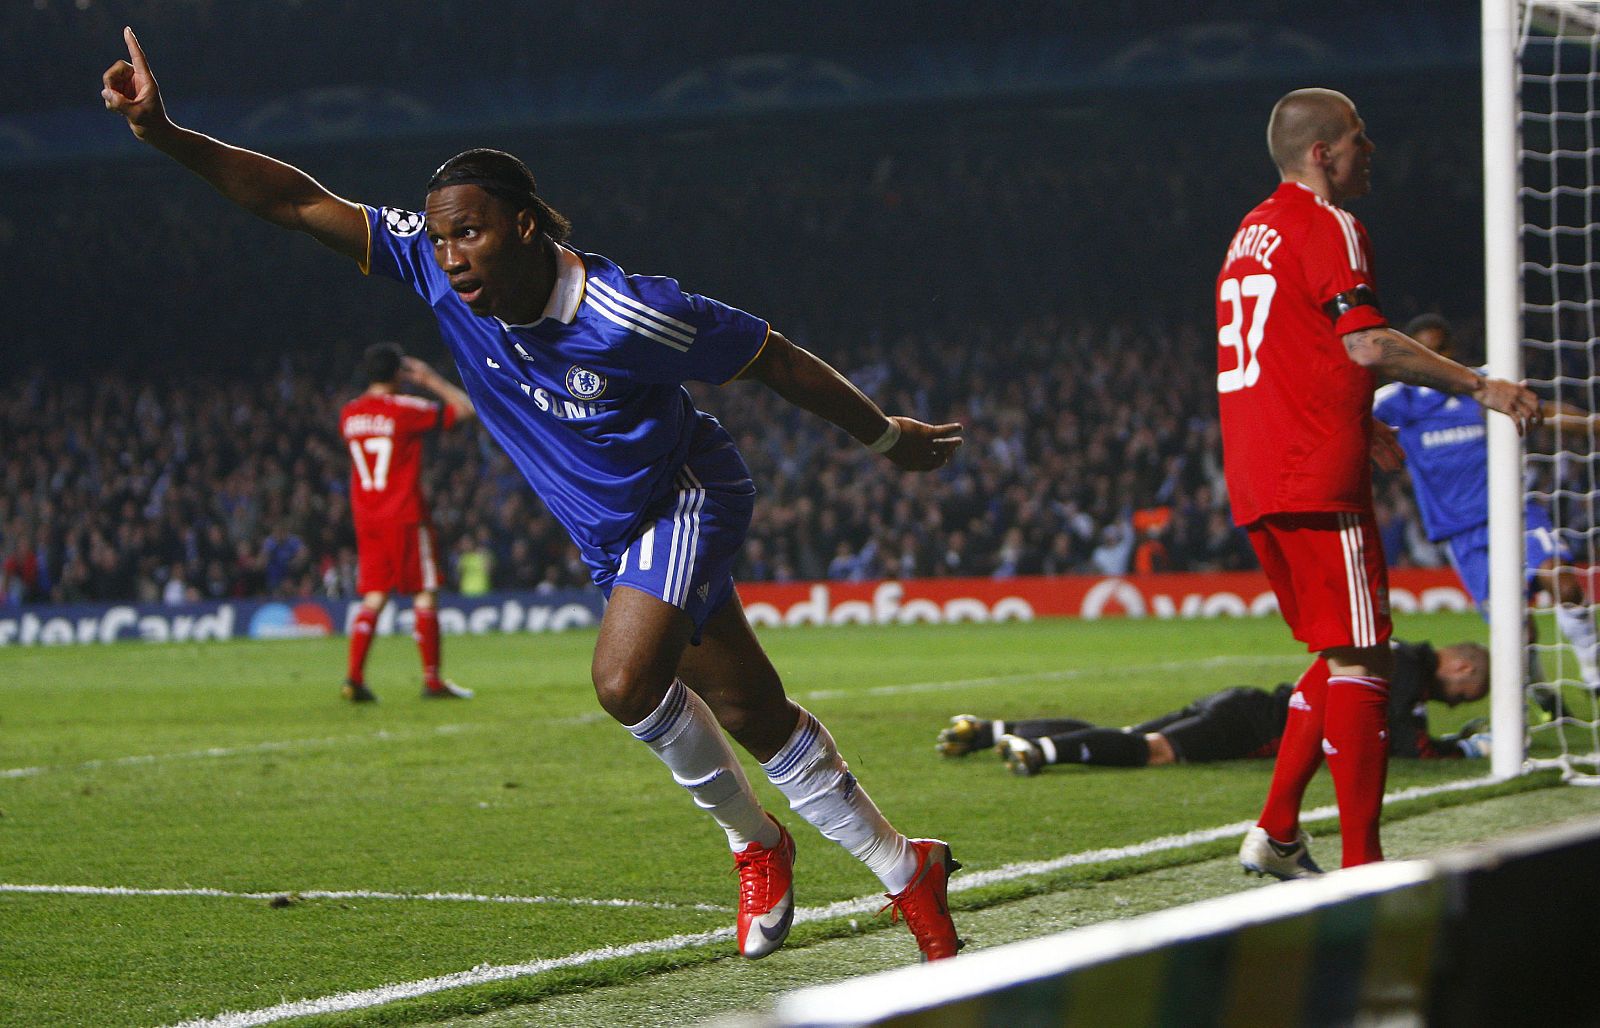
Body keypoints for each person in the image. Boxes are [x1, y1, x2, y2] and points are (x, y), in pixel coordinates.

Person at [102, 29, 965, 961]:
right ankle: (901, 862)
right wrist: (167, 133)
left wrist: (886, 437)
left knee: (625, 682)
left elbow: (778, 361)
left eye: (466, 231)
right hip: (610, 535)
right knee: (755, 713)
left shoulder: (630, 313)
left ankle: (759, 845)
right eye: (438, 236)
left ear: (522, 225)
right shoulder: (429, 266)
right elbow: (294, 199)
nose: (449, 254)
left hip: (682, 497)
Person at [1214, 88, 1540, 879]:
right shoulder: (1328, 224)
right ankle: (1363, 871)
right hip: (1314, 476)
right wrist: (1478, 385)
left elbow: (1293, 346)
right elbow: (1364, 345)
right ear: (1322, 153)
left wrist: (1360, 422)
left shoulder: (1250, 232)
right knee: (1366, 660)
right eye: (1360, 139)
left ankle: (1279, 831)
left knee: (1343, 650)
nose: (1372, 151)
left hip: (1260, 470)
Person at [1374, 314, 1600, 700]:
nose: (1434, 356)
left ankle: (1594, 675)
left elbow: (1541, 411)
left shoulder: (1483, 384)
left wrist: (1593, 425)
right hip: (1461, 531)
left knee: (1562, 581)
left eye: (1441, 348)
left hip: (1514, 511)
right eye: (1425, 350)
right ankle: (1542, 695)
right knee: (1517, 626)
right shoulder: (1398, 400)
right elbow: (1344, 420)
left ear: (1452, 350)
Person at [934, 640, 1492, 775]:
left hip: (1245, 702)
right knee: (1152, 752)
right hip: (1255, 723)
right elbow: (1405, 744)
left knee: (1124, 733)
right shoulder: (1410, 676)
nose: (1451, 701)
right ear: (1461, 668)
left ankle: (988, 731)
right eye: (1462, 694)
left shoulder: (1388, 650)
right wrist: (1459, 748)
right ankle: (1040, 751)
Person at [340, 342, 477, 702]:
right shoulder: (404, 409)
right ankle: (432, 679)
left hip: (367, 516)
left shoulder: (349, 414)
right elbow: (465, 410)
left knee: (374, 596)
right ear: (399, 373)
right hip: (404, 514)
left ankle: (353, 677)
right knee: (425, 592)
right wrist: (431, 379)